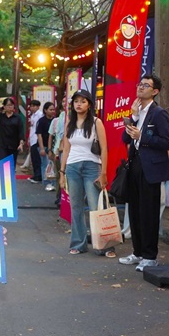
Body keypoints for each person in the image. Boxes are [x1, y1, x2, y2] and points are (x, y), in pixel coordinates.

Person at [117, 73, 169, 271]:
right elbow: (125, 139)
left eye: (146, 85)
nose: (140, 87)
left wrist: (142, 137)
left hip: (151, 168)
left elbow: (168, 141)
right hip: (134, 165)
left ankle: (150, 256)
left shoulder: (158, 113)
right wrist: (133, 118)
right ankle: (138, 252)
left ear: (155, 91)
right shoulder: (137, 112)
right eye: (140, 84)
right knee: (134, 211)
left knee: (148, 212)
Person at [59, 90, 110, 256]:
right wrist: (62, 172)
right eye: (76, 101)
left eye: (83, 101)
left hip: (92, 167)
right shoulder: (70, 123)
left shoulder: (96, 122)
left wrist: (103, 172)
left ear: (89, 105)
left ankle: (104, 245)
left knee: (96, 207)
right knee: (76, 207)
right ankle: (78, 244)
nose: (79, 104)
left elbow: (104, 149)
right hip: (72, 168)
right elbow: (66, 149)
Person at [0, 98, 24, 162]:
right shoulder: (1, 116)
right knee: (3, 163)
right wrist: (0, 107)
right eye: (8, 105)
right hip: (2, 144)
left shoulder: (18, 117)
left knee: (11, 164)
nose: (10, 107)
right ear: (4, 106)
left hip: (14, 144)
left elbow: (21, 131)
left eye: (11, 105)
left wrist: (21, 144)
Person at [36, 102, 56, 190]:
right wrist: (42, 148)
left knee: (53, 165)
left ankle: (53, 182)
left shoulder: (55, 120)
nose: (52, 111)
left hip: (53, 146)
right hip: (43, 145)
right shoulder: (41, 121)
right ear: (45, 110)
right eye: (50, 109)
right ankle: (47, 182)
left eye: (53, 109)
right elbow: (39, 135)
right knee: (45, 164)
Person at [26, 100, 43, 183]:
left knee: (37, 159)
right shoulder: (32, 115)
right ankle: (36, 174)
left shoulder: (40, 115)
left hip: (36, 139)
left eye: (34, 106)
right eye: (31, 106)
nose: (32, 108)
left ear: (38, 106)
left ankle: (38, 176)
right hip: (32, 138)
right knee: (33, 158)